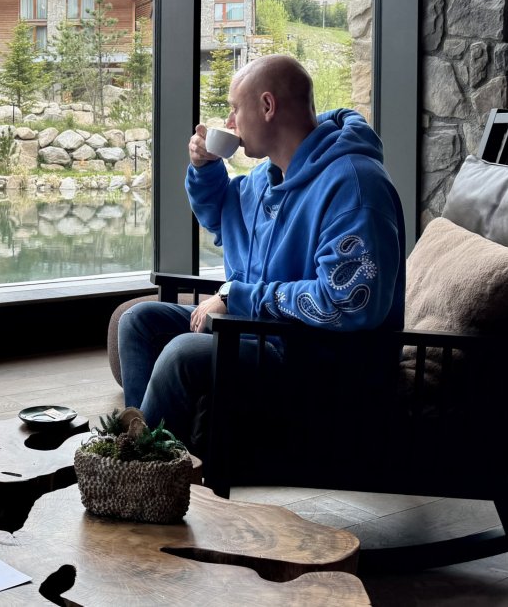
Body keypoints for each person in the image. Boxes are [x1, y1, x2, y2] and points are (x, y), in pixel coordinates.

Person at [117, 54, 405, 445]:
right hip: (267, 336)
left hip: (326, 361)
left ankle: (138, 470)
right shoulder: (269, 177)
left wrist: (238, 297)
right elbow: (221, 214)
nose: (230, 122)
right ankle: (161, 460)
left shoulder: (354, 185)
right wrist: (205, 168)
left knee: (184, 353)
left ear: (267, 106)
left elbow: (350, 302)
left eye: (235, 108)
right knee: (140, 322)